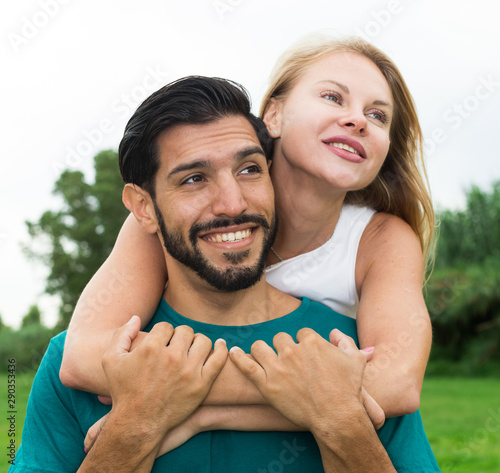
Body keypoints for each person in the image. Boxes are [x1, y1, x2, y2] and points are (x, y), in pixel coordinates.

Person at [10, 76, 440, 473]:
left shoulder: (351, 357)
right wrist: (133, 429)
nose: (233, 203)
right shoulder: (84, 363)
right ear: (144, 208)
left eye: (250, 169)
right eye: (194, 179)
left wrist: (342, 424)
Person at [61, 34, 435, 424]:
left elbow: (395, 383)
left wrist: (193, 413)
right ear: (273, 115)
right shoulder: (180, 213)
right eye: (332, 97)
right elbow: (82, 356)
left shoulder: (381, 240)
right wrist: (311, 393)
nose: (358, 119)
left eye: (377, 115)